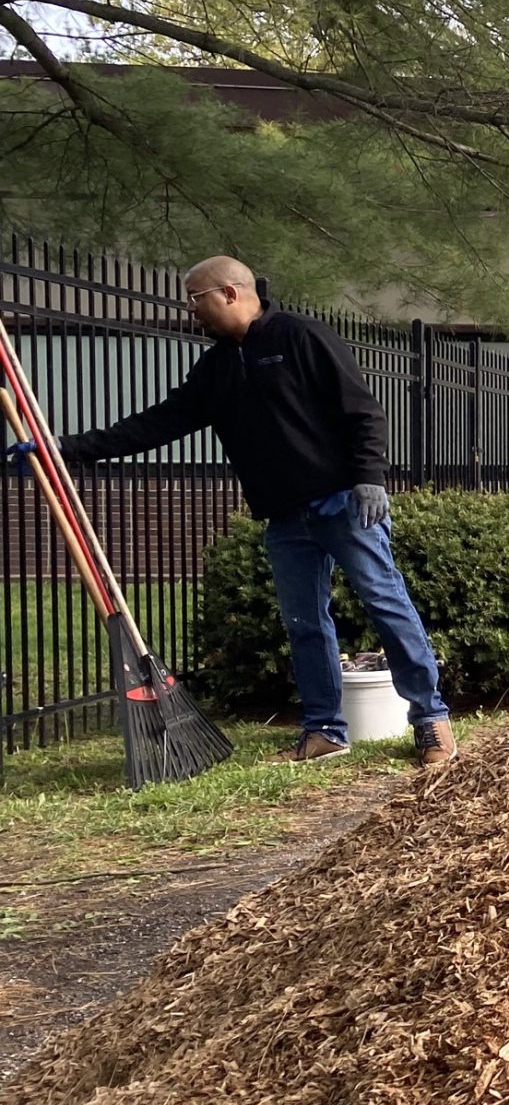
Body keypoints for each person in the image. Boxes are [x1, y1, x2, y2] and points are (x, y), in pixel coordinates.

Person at [23, 256, 454, 765]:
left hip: (342, 502)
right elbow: (158, 423)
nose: (191, 310)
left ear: (229, 292)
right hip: (284, 516)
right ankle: (324, 731)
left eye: (195, 298)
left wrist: (369, 476)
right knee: (305, 623)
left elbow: (362, 409)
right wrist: (65, 448)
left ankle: (430, 719)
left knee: (385, 602)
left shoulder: (300, 336)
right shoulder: (217, 368)